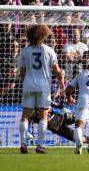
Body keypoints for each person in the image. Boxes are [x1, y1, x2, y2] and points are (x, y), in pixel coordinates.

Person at [18, 24, 65, 154]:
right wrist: (61, 83)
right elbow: (57, 70)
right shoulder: (48, 50)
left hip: (28, 85)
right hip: (43, 86)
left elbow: (22, 72)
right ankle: (39, 146)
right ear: (42, 36)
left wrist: (25, 83)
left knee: (25, 116)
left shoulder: (25, 51)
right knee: (43, 115)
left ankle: (23, 143)